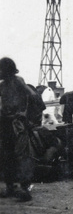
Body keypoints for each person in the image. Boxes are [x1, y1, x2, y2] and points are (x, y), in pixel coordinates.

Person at [0, 57, 38, 201]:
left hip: (18, 123)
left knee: (21, 155)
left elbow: (33, 96)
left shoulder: (19, 81)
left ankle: (25, 190)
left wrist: (26, 116)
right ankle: (10, 187)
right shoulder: (2, 85)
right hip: (5, 123)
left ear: (7, 70)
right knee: (6, 156)